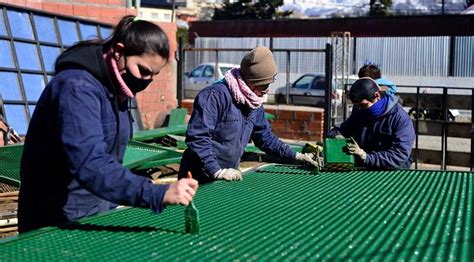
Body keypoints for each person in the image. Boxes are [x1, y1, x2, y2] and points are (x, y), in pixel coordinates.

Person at [18, 16, 198, 233]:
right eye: (142, 70)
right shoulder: (77, 89)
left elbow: (110, 158)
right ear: (119, 52)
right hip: (55, 218)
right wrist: (156, 194)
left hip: (94, 209)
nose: (146, 80)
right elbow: (90, 163)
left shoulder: (115, 87)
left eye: (153, 75)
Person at [178, 45, 318, 184]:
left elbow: (265, 138)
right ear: (251, 82)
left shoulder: (253, 101)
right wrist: (217, 171)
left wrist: (296, 155)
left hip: (228, 174)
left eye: (269, 84)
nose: (267, 91)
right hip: (198, 177)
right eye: (264, 85)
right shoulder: (214, 96)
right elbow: (198, 138)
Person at [327, 77, 415, 170]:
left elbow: (399, 155)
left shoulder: (400, 118)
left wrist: (366, 157)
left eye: (363, 105)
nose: (359, 109)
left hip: (393, 172)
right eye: (357, 106)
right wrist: (337, 136)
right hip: (365, 167)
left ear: (377, 96)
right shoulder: (360, 112)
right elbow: (340, 129)